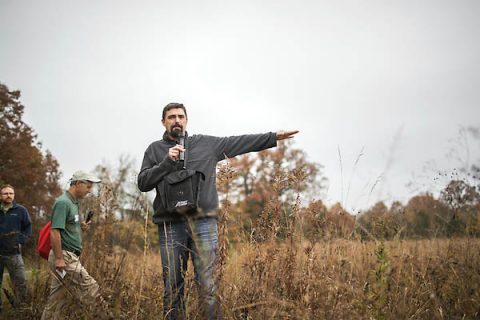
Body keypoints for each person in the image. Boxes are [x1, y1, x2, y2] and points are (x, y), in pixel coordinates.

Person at [137, 102, 298, 319]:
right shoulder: (154, 149)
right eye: (171, 117)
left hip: (203, 223)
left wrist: (273, 137)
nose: (177, 120)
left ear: (186, 120)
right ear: (163, 122)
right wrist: (167, 162)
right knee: (173, 286)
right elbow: (143, 183)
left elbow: (240, 142)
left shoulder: (206, 144)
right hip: (170, 225)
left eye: (181, 116)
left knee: (207, 286)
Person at [41, 171, 109, 319]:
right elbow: (55, 231)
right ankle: (107, 316)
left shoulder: (73, 203)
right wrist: (59, 258)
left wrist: (81, 226)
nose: (90, 191)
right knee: (90, 287)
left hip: (68, 256)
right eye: (88, 187)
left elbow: (68, 225)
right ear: (78, 184)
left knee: (56, 300)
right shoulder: (63, 203)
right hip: (64, 258)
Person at [0, 184, 31, 313]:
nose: (9, 196)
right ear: (0, 196)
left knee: (20, 282)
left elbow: (27, 228)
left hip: (14, 253)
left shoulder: (21, 210)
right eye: (6, 193)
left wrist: (20, 241)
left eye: (11, 193)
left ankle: (23, 309)